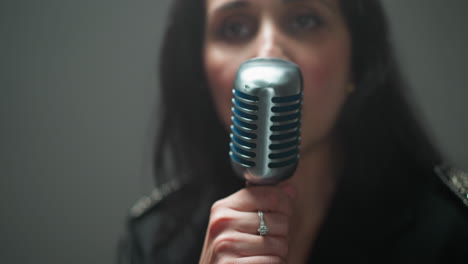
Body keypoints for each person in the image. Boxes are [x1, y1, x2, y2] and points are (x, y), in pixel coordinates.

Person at [118, 0, 468, 263]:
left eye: (304, 20)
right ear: (199, 67)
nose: (269, 53)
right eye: (234, 28)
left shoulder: (450, 232)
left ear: (358, 60)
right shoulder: (153, 241)